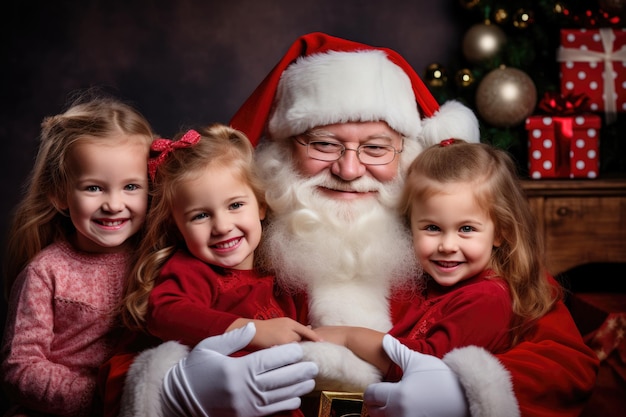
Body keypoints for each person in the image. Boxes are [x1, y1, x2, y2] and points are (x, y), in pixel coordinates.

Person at [104, 32, 599, 417]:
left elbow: (566, 360)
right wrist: (174, 390)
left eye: (376, 147)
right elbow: (118, 351)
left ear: (409, 154)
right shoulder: (230, 240)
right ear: (278, 153)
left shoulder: (457, 245)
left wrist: (465, 394)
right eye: (323, 143)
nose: (348, 169)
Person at [313, 138, 559, 382]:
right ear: (410, 227)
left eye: (466, 229)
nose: (448, 246)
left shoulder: (487, 298)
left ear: (500, 232)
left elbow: (424, 365)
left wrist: (348, 336)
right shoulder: (425, 284)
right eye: (432, 227)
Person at [1, 95, 153, 417]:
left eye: (131, 187)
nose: (114, 204)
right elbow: (20, 368)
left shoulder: (153, 257)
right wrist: (106, 399)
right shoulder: (46, 271)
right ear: (59, 195)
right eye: (94, 188)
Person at [126, 124, 319, 364]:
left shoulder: (282, 271)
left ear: (260, 205)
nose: (222, 226)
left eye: (235, 205)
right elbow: (164, 313)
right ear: (177, 227)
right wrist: (251, 331)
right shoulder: (191, 269)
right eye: (200, 216)